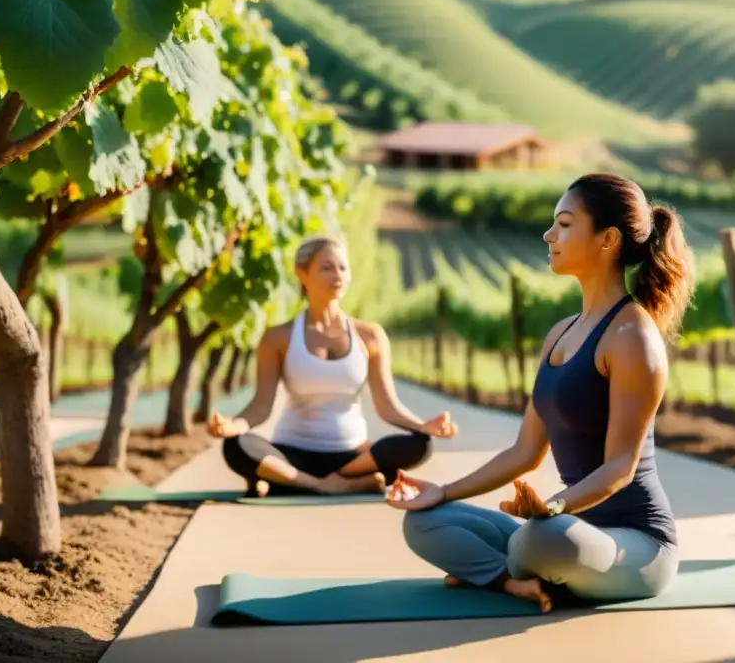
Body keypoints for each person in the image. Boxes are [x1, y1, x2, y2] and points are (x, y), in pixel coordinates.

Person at [386, 172, 695, 613]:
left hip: (635, 546)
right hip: (565, 527)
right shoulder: (559, 335)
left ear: (607, 239)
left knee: (538, 540)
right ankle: (513, 580)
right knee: (425, 522)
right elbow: (525, 451)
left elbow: (621, 468)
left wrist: (553, 507)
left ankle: (497, 572)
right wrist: (443, 492)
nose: (550, 234)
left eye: (565, 224)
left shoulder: (631, 337)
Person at [207, 235, 458, 497]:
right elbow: (261, 406)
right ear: (301, 273)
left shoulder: (370, 336)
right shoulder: (278, 337)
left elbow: (388, 406)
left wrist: (423, 426)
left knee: (420, 445)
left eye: (342, 267)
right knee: (236, 446)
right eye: (327, 268)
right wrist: (232, 426)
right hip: (291, 454)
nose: (337, 275)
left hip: (352, 459)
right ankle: (324, 485)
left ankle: (298, 482)